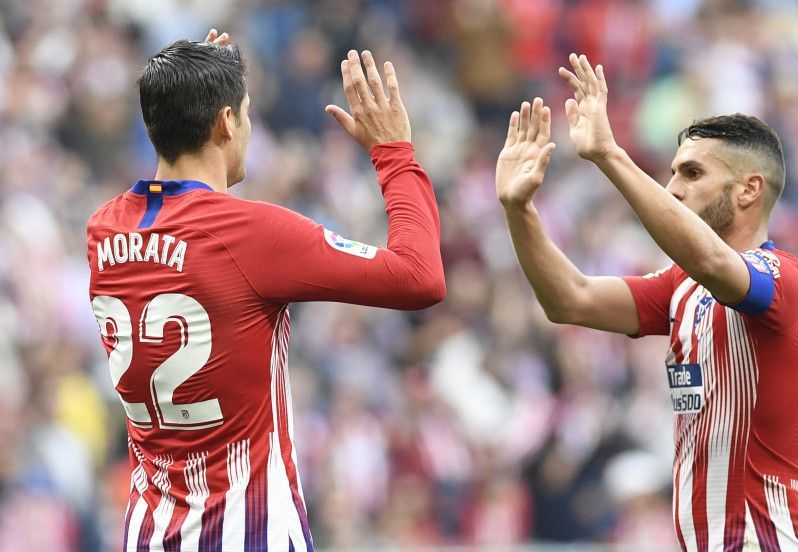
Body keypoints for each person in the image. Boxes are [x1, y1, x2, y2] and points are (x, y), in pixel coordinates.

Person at [87, 29, 444, 551]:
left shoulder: (104, 230)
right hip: (250, 533)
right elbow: (421, 277)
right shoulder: (250, 235)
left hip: (150, 532)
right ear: (226, 122)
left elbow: (182, 238)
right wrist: (395, 153)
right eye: (245, 112)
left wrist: (192, 82)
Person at [496, 53, 798, 551]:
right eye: (673, 172)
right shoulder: (682, 286)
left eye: (692, 174)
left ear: (749, 190)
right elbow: (570, 299)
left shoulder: (781, 279)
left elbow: (713, 262)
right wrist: (518, 209)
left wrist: (609, 155)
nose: (672, 189)